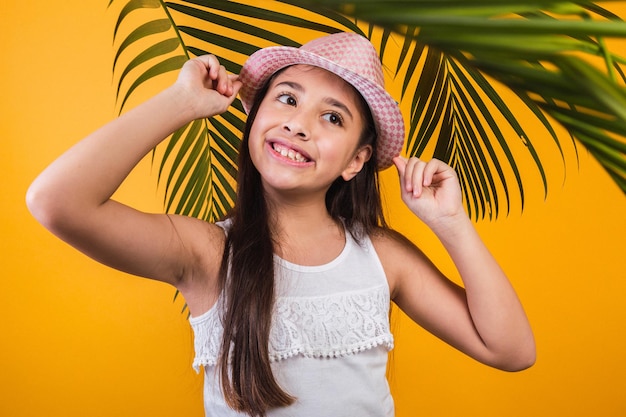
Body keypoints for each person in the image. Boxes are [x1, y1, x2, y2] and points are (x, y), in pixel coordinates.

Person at [27, 32, 535, 417]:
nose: (299, 124)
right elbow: (56, 202)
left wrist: (452, 224)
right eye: (287, 99)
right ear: (255, 119)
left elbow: (511, 350)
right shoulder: (206, 252)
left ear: (356, 161)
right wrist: (180, 103)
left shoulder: (382, 256)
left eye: (332, 117)